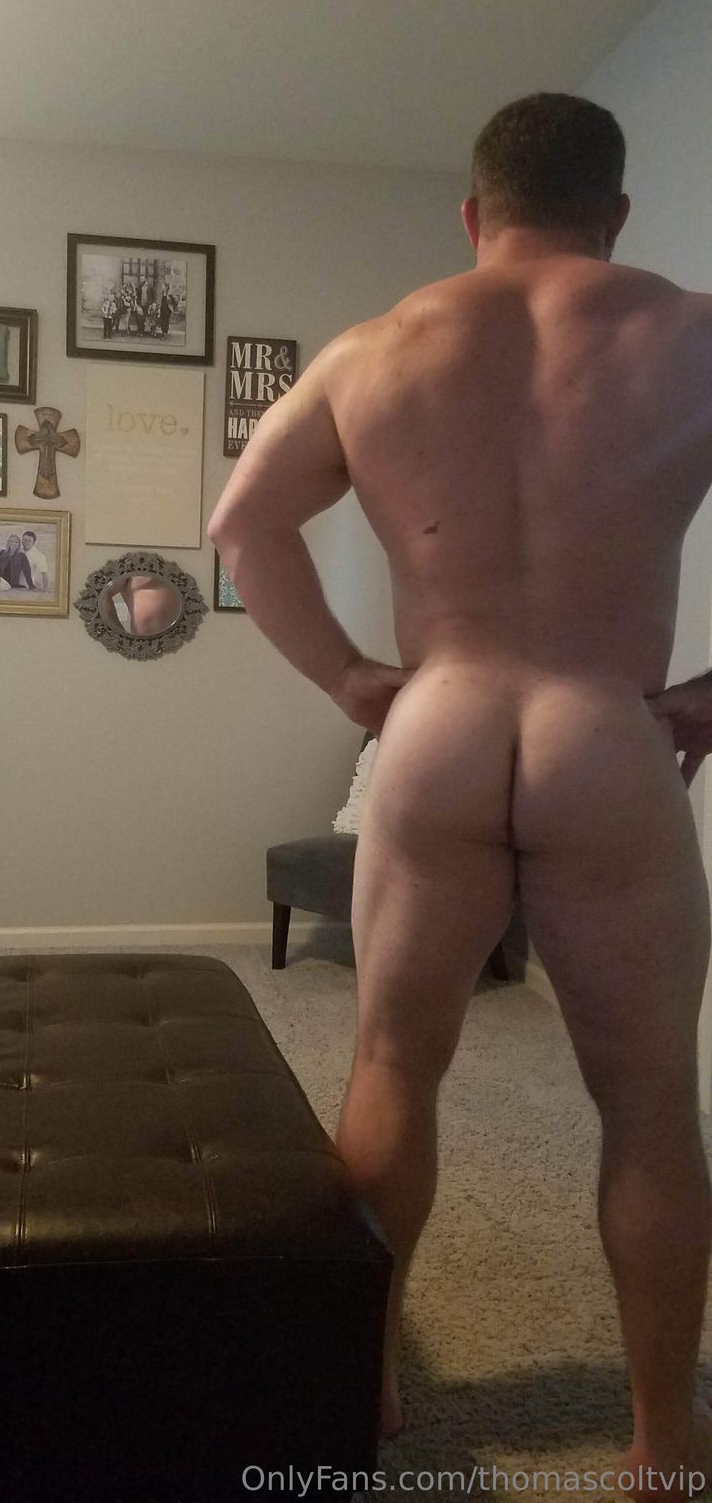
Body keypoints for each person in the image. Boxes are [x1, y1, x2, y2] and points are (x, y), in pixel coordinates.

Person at [207, 91, 712, 1497]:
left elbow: (242, 526)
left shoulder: (374, 348)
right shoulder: (692, 333)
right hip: (608, 731)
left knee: (391, 1064)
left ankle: (365, 1389)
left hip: (437, 721)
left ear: (473, 213)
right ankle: (664, 1445)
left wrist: (352, 679)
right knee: (652, 1105)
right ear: (616, 214)